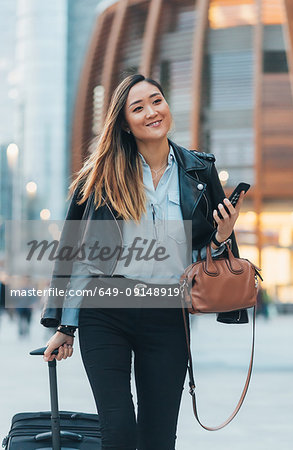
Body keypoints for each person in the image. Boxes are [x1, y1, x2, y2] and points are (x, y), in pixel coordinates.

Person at [41, 74, 246, 449]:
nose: (152, 112)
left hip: (166, 313)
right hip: (106, 312)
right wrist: (66, 326)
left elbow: (207, 257)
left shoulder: (199, 171)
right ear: (124, 122)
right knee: (117, 431)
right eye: (138, 107)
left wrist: (221, 234)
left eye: (157, 101)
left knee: (158, 437)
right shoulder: (102, 176)